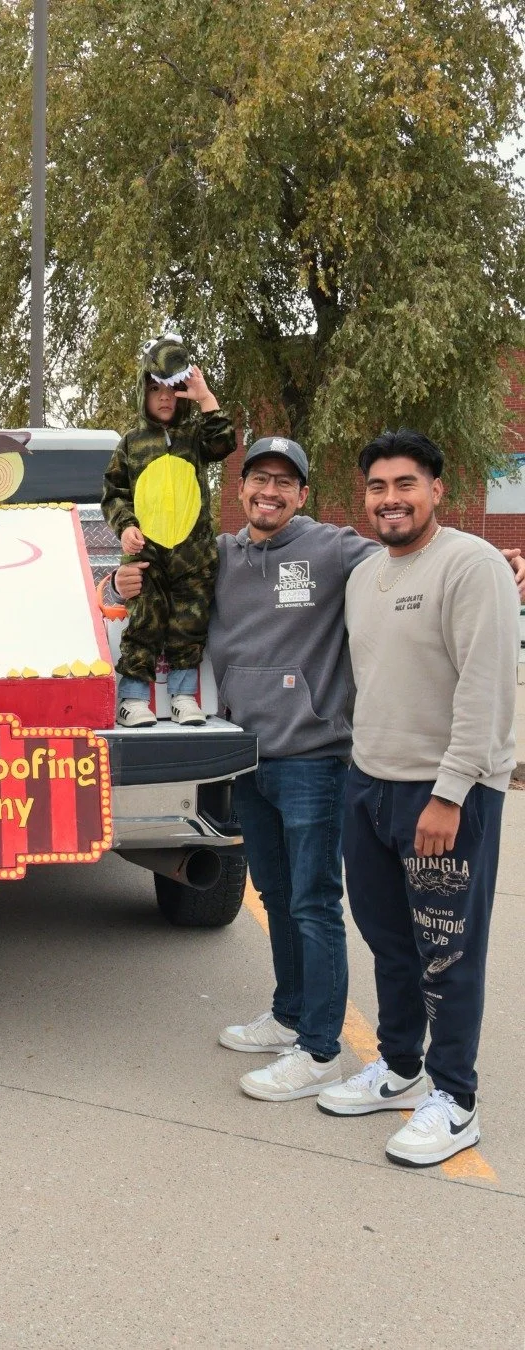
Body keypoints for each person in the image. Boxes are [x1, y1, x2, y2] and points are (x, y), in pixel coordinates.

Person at [106, 437, 525, 1107]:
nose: (269, 491)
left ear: (303, 495)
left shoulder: (333, 550)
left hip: (316, 761)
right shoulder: (216, 555)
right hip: (247, 755)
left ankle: (321, 1048)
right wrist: (117, 582)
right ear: (240, 490)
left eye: (284, 482)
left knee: (314, 904)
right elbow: (147, 583)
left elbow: (418, 555)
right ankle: (289, 1014)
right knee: (276, 896)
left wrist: (500, 564)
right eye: (258, 479)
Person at [321, 429, 518, 1167]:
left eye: (406, 484)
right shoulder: (366, 576)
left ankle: (456, 1100)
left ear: (437, 489)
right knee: (389, 941)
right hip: (368, 785)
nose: (391, 499)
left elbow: (486, 688)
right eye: (378, 486)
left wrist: (450, 793)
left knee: (448, 952)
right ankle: (400, 1066)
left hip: (444, 796)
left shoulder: (471, 565)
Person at [102, 332, 236, 728]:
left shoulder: (194, 438)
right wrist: (126, 527)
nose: (164, 398)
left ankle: (182, 696)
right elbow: (114, 494)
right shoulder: (131, 443)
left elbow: (224, 442)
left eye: (171, 390)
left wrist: (204, 396)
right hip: (147, 554)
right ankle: (132, 699)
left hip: (193, 555)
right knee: (144, 622)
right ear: (141, 393)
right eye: (154, 389)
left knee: (188, 625)